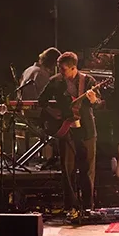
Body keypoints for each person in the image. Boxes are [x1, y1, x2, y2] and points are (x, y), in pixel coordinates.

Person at [37, 51, 102, 212]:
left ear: (74, 68)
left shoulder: (88, 81)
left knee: (87, 170)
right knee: (67, 170)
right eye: (59, 68)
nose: (60, 72)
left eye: (63, 69)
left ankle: (88, 207)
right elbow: (42, 100)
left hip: (86, 130)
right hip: (66, 130)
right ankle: (70, 207)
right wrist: (53, 113)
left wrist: (94, 100)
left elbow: (100, 104)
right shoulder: (55, 81)